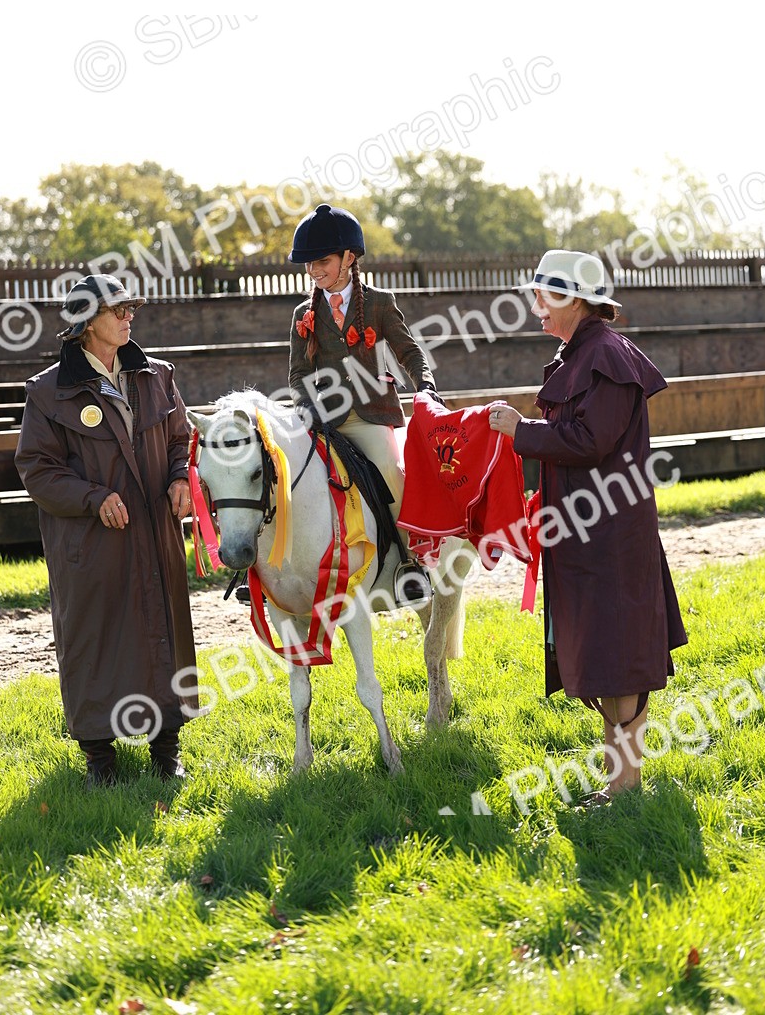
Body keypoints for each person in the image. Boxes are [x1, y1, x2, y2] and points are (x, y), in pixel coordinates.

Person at [488, 249, 687, 800]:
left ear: (575, 299)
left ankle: (627, 788)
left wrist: (518, 431)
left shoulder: (606, 356)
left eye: (543, 298)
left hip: (611, 540)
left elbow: (589, 441)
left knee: (621, 660)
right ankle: (617, 783)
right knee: (604, 657)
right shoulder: (584, 352)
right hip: (586, 535)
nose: (535, 311)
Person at [15, 274, 197, 787]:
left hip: (156, 535)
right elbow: (38, 469)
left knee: (163, 631)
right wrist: (93, 499)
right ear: (84, 322)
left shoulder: (157, 376)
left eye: (131, 308)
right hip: (92, 545)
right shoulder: (49, 392)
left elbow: (182, 438)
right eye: (117, 309)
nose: (128, 317)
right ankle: (100, 757)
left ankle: (168, 749)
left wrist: (182, 476)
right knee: (94, 640)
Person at [288, 203, 439, 595]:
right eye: (309, 263)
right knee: (287, 477)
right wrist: (306, 411)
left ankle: (412, 563)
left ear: (349, 257)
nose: (315, 270)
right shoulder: (303, 313)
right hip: (323, 420)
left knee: (391, 473)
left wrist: (425, 385)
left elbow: (410, 352)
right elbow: (299, 374)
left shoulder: (378, 303)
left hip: (371, 417)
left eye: (322, 260)